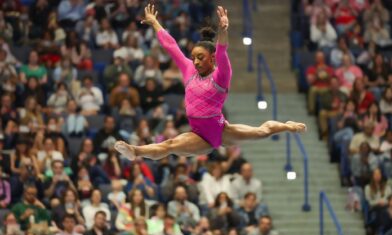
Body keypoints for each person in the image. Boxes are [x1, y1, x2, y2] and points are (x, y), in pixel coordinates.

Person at [114, 4, 306, 161]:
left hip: (218, 130)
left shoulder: (221, 76)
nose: (195, 61)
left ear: (212, 59)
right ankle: (135, 151)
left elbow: (222, 50)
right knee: (169, 145)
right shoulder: (189, 69)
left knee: (262, 131)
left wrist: (223, 30)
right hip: (198, 132)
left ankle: (287, 125)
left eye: (200, 57)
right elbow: (171, 46)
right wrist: (155, 22)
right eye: (194, 57)